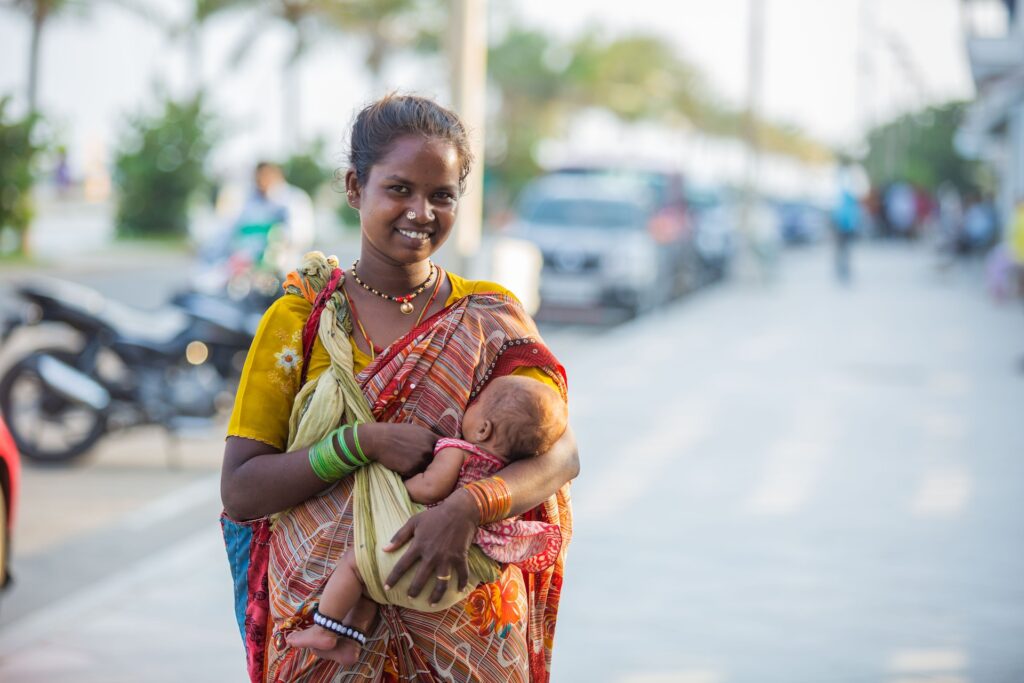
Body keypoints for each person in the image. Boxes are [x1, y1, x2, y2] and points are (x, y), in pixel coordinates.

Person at [220, 94, 579, 683]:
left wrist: (467, 507)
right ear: (354, 187)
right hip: (321, 630)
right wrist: (360, 443)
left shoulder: (489, 318)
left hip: (467, 634)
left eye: (442, 195)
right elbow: (241, 490)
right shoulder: (301, 320)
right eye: (399, 189)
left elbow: (561, 455)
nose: (421, 211)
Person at [284, 375, 568, 661]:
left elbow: (431, 488)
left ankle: (325, 629)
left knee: (355, 566)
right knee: (371, 588)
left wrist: (394, 490)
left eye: (476, 403)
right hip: (456, 579)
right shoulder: (507, 476)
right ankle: (352, 640)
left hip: (421, 554)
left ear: (483, 429)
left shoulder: (459, 451)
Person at [231, 161, 315, 274]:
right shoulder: (248, 202)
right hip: (252, 273)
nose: (262, 181)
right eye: (258, 177)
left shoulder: (295, 199)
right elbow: (238, 234)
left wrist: (277, 238)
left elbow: (302, 235)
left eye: (266, 176)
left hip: (286, 271)